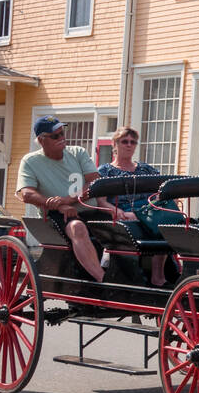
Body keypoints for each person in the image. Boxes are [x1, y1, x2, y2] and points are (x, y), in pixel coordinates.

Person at [17, 115, 130, 282]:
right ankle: (102, 280)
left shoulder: (78, 153)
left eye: (62, 133)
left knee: (124, 225)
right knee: (77, 227)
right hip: (56, 216)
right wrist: (55, 205)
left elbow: (95, 181)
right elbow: (26, 193)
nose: (62, 138)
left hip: (89, 210)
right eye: (55, 136)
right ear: (41, 141)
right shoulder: (30, 161)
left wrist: (66, 201)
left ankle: (132, 276)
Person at [97, 126, 168, 287]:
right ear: (115, 144)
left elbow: (159, 192)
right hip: (123, 214)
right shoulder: (105, 171)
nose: (129, 145)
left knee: (167, 226)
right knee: (133, 226)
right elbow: (101, 201)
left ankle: (158, 277)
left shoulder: (146, 169)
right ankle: (130, 278)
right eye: (124, 141)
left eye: (133, 142)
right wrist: (117, 212)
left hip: (148, 212)